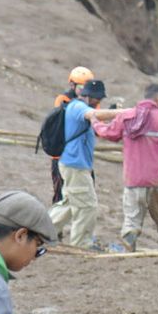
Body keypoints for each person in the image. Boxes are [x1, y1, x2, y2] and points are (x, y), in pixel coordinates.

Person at [92, 83, 158, 252]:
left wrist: (95, 123)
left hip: (134, 179)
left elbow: (109, 133)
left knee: (132, 218)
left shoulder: (126, 116)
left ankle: (129, 247)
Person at [47, 79, 119, 249]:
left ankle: (41, 232)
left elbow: (97, 125)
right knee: (87, 206)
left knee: (69, 204)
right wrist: (124, 113)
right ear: (89, 96)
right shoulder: (79, 107)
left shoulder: (80, 107)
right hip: (75, 165)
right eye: (98, 99)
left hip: (73, 164)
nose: (99, 102)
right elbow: (94, 116)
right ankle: (81, 243)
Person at [47, 66, 95, 204]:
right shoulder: (63, 100)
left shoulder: (90, 103)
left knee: (85, 194)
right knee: (60, 195)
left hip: (82, 156)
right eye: (81, 86)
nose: (84, 91)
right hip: (63, 155)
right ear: (72, 85)